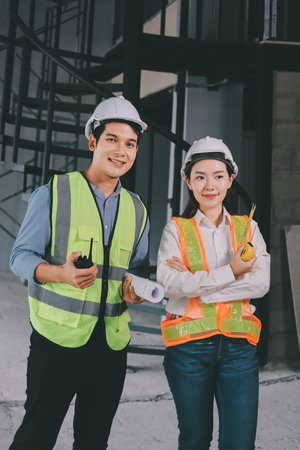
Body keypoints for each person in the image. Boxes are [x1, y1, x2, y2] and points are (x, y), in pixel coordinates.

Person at [9, 96, 149, 450]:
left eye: (130, 143)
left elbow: (136, 269)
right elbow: (20, 257)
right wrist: (60, 274)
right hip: (56, 342)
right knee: (36, 437)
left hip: (111, 346)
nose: (122, 151)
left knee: (93, 441)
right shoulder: (54, 194)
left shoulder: (138, 210)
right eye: (112, 140)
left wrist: (136, 287)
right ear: (93, 142)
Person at [157, 136, 270, 450]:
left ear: (230, 179)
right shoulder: (175, 231)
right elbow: (169, 283)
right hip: (188, 350)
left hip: (239, 350)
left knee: (240, 444)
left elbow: (260, 284)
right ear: (188, 181)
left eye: (219, 176)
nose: (210, 185)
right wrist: (232, 272)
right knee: (194, 440)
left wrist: (199, 286)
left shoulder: (249, 229)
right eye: (200, 176)